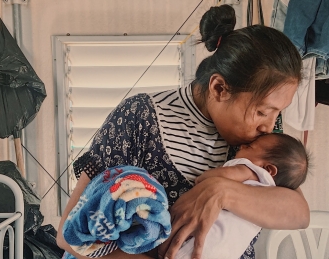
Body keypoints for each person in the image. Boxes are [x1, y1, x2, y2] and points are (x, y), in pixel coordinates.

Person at [57, 4, 310, 259]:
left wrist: (221, 192)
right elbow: (70, 236)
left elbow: (299, 213)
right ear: (219, 88)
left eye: (278, 112)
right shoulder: (140, 118)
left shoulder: (260, 139)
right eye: (263, 111)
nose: (270, 125)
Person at [176, 133, 309, 259]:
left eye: (250, 146)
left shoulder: (249, 169)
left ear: (268, 169)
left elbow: (207, 179)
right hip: (227, 251)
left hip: (202, 241)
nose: (242, 146)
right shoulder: (275, 196)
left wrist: (204, 178)